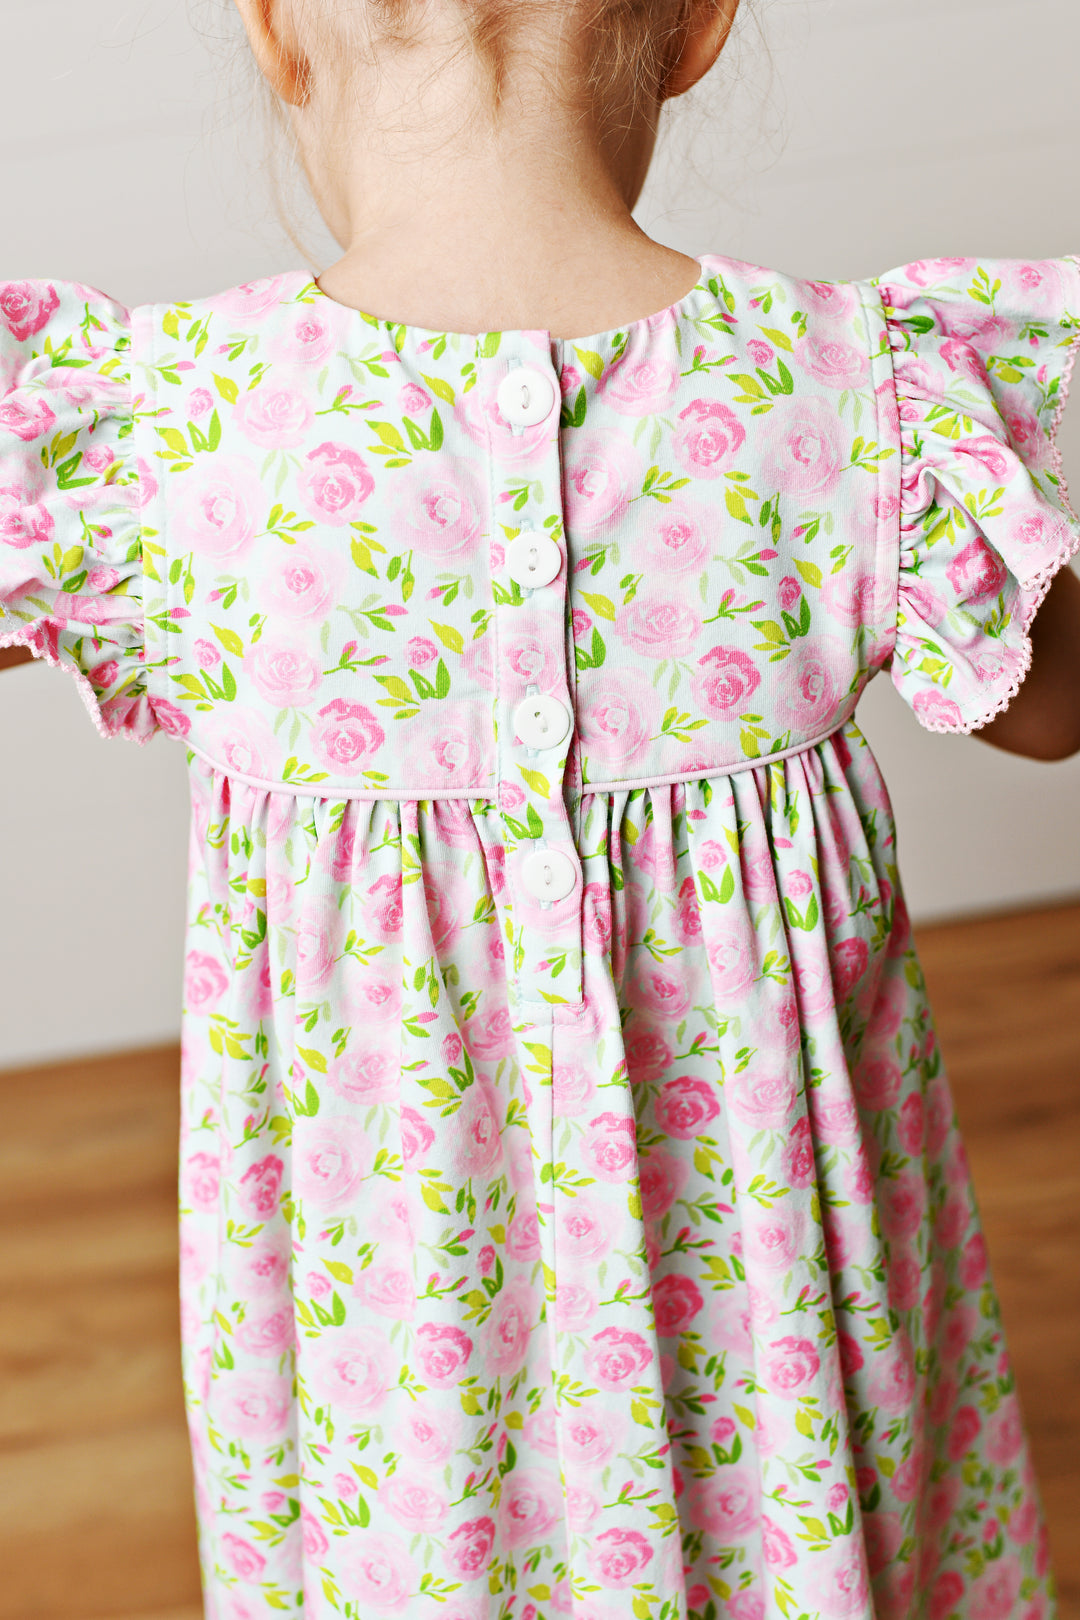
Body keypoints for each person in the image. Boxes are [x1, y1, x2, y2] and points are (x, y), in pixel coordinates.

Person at [2, 1, 1079, 1615]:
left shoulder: (171, 432)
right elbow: (1052, 709)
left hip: (391, 1370)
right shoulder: (859, 394)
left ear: (281, 31)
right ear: (702, 25)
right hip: (781, 1324)